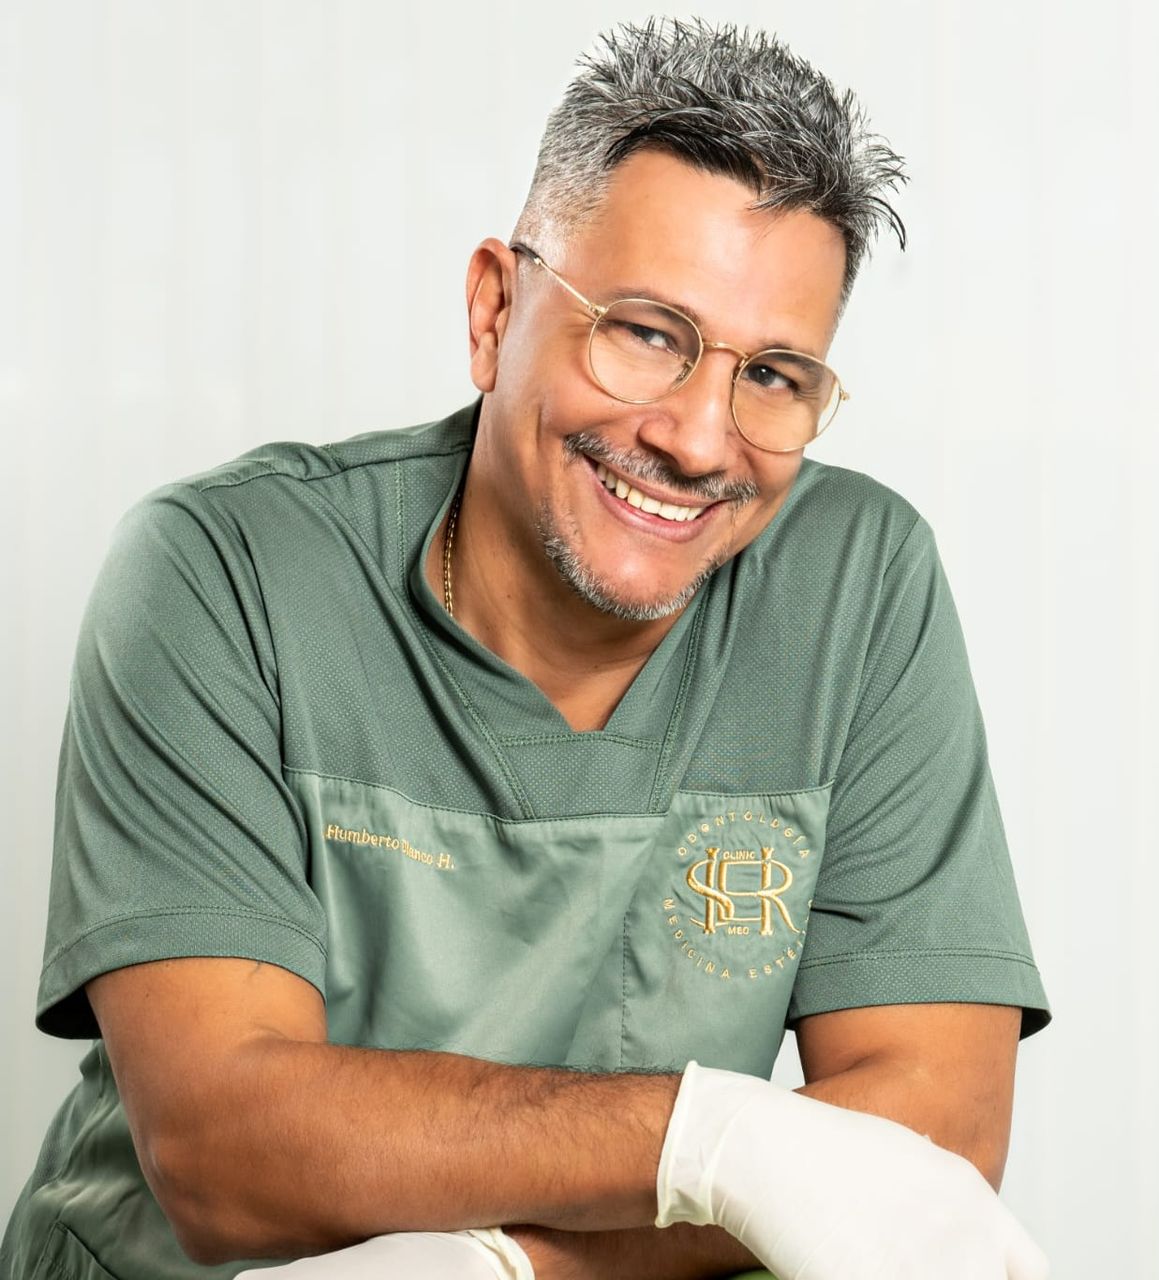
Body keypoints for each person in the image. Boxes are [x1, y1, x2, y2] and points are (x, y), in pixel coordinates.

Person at [1, 16, 1053, 1280]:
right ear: (494, 309)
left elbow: (932, 1137)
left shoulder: (855, 585)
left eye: (774, 374)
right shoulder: (226, 569)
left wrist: (506, 1267)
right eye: (646, 331)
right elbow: (223, 1148)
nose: (698, 439)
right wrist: (712, 1141)